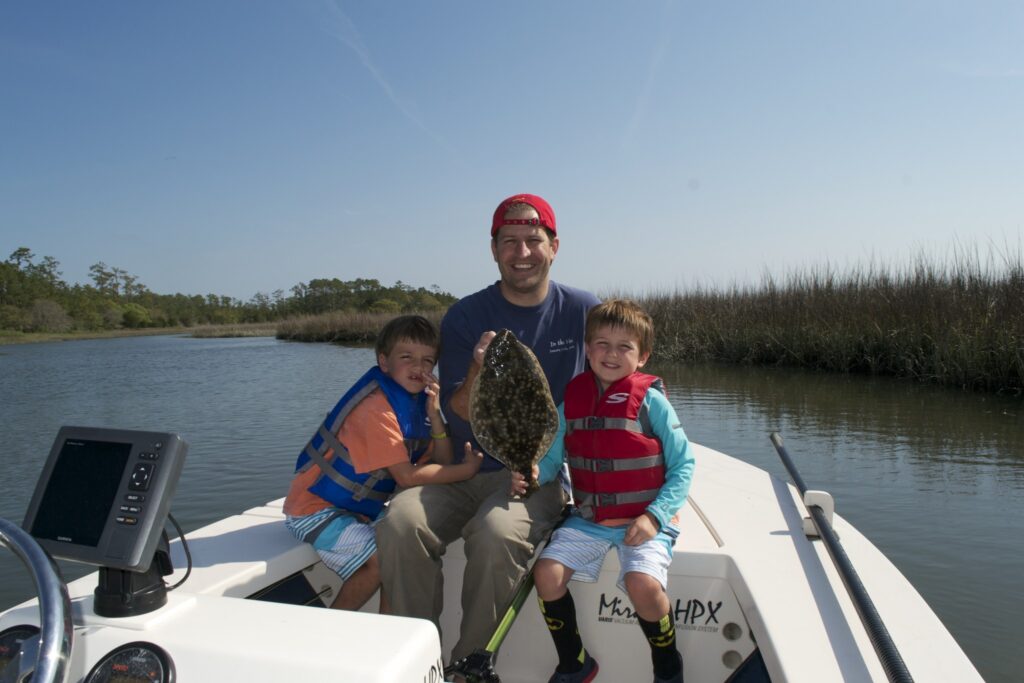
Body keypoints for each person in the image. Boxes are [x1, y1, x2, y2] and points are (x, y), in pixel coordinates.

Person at [376, 194, 601, 664]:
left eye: (533, 241)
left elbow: (626, 385)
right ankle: (418, 660)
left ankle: (467, 667)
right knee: (400, 521)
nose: (522, 253)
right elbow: (457, 410)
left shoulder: (582, 310)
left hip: (536, 467)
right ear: (494, 249)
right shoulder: (464, 317)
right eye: (509, 242)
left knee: (498, 532)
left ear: (554, 246)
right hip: (462, 466)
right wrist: (479, 369)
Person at [512, 299, 695, 683]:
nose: (611, 354)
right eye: (602, 344)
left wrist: (654, 516)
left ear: (642, 356)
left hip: (646, 520)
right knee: (547, 574)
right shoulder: (571, 399)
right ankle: (575, 662)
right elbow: (552, 457)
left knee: (641, 584)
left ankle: (668, 666)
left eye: (624, 346)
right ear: (587, 348)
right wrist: (533, 473)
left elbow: (683, 466)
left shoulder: (652, 402)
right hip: (589, 520)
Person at [283, 314, 482, 611]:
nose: (418, 367)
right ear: (384, 362)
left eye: (428, 360)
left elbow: (441, 460)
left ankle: (384, 635)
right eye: (407, 357)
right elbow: (406, 477)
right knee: (380, 563)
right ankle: (324, 632)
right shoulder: (376, 409)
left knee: (400, 553)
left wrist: (436, 413)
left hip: (356, 511)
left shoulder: (417, 405)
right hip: (313, 510)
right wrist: (465, 470)